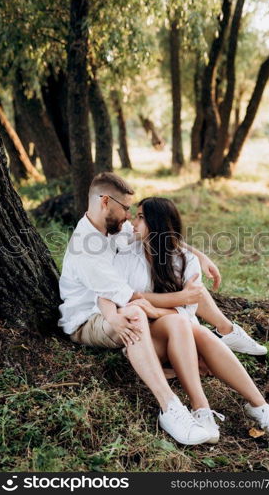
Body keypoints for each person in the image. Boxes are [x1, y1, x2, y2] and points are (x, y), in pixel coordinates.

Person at [59, 172, 215, 445]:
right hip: (87, 321)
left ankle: (203, 399)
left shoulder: (112, 228)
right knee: (135, 312)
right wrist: (183, 297)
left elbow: (156, 233)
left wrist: (197, 255)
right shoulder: (87, 249)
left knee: (164, 320)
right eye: (126, 208)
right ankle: (170, 408)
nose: (130, 217)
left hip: (113, 310)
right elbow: (129, 298)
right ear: (106, 201)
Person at [113, 197, 269, 442]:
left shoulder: (184, 259)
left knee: (193, 328)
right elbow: (126, 300)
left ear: (157, 223)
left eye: (141, 217)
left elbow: (188, 310)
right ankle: (200, 406)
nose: (133, 221)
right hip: (144, 344)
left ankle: (259, 407)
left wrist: (156, 309)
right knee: (186, 326)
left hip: (179, 336)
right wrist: (163, 302)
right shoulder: (127, 252)